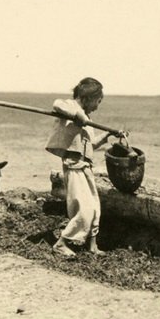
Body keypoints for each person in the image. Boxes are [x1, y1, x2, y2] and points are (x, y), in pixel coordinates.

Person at [45, 77, 124, 258]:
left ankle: (92, 246)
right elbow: (57, 104)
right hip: (74, 167)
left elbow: (89, 146)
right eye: (98, 101)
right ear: (87, 98)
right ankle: (61, 243)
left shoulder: (87, 119)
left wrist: (107, 136)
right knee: (84, 209)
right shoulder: (71, 108)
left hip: (85, 166)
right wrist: (76, 115)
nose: (97, 106)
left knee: (95, 208)